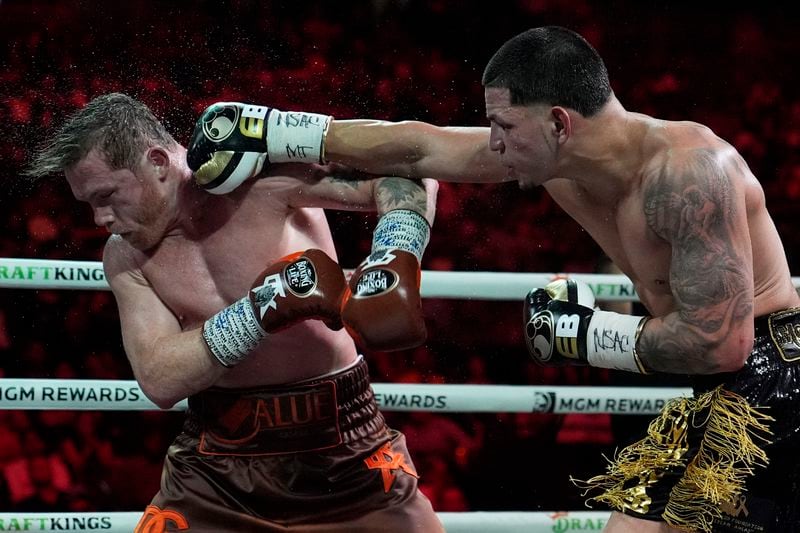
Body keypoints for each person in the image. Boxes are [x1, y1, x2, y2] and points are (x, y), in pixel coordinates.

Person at [188, 26, 800, 532]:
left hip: (776, 381)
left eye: (504, 126)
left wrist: (586, 337)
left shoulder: (689, 173)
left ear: (559, 123)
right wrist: (273, 129)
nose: (495, 143)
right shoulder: (558, 163)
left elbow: (725, 343)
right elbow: (419, 149)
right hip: (719, 390)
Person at [25, 93, 444, 532]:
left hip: (344, 444)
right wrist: (261, 308)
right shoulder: (126, 257)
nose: (100, 218)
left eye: (106, 195)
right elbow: (160, 378)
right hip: (216, 464)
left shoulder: (261, 180)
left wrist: (394, 254)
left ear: (157, 162)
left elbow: (409, 171)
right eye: (88, 203)